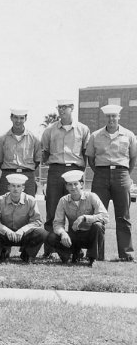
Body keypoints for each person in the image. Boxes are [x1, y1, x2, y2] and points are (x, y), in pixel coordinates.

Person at [85, 104, 137, 262]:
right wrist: (101, 172)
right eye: (109, 116)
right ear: (105, 118)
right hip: (100, 174)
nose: (111, 119)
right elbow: (91, 159)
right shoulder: (95, 135)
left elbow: (133, 157)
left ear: (119, 117)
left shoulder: (128, 135)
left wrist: (125, 174)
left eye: (114, 116)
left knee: (123, 216)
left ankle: (126, 254)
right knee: (98, 215)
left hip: (122, 174)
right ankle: (97, 254)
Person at [40, 99, 90, 241]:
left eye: (65, 107)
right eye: (59, 107)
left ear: (72, 108)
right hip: (55, 171)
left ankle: (75, 247)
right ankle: (49, 247)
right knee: (52, 209)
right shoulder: (49, 130)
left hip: (75, 170)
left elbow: (86, 153)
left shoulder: (83, 129)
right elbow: (45, 153)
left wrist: (81, 175)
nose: (61, 110)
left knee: (76, 210)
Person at [45, 170, 108, 267]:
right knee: (52, 236)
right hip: (73, 236)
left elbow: (105, 216)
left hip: (90, 236)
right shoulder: (63, 201)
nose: (73, 187)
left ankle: (92, 258)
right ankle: (71, 255)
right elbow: (57, 223)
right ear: (66, 186)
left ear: (82, 184)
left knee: (98, 225)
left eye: (75, 184)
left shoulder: (92, 196)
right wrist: (63, 233)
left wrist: (84, 218)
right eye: (69, 184)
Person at [0, 173, 47, 263]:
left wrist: (23, 230)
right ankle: (2, 254)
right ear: (8, 187)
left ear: (23, 188)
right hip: (5, 235)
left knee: (41, 233)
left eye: (18, 186)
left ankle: (27, 254)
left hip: (23, 235)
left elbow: (37, 221)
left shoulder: (30, 200)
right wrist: (6, 230)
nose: (15, 189)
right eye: (13, 186)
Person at [0, 108, 41, 196]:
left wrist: (26, 169)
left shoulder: (34, 139)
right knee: (5, 205)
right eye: (16, 117)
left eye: (21, 118)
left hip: (27, 175)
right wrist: (11, 169)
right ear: (11, 118)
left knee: (28, 205)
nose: (18, 121)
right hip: (8, 175)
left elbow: (37, 160)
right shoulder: (3, 139)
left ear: (25, 119)